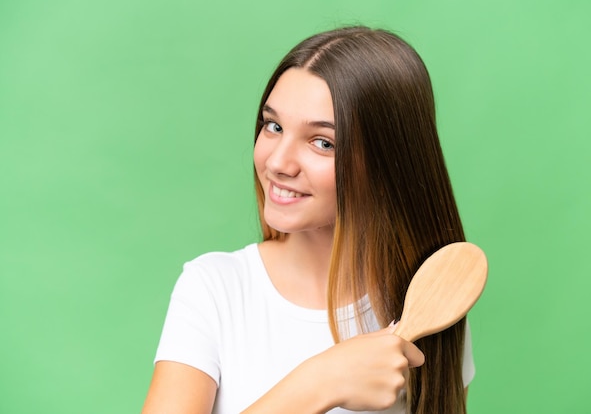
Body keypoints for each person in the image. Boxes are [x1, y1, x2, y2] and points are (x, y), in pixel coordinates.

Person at [142, 26, 475, 414]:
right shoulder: (213, 290)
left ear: (388, 162)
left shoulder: (430, 304)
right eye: (274, 126)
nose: (278, 163)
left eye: (323, 142)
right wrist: (320, 383)